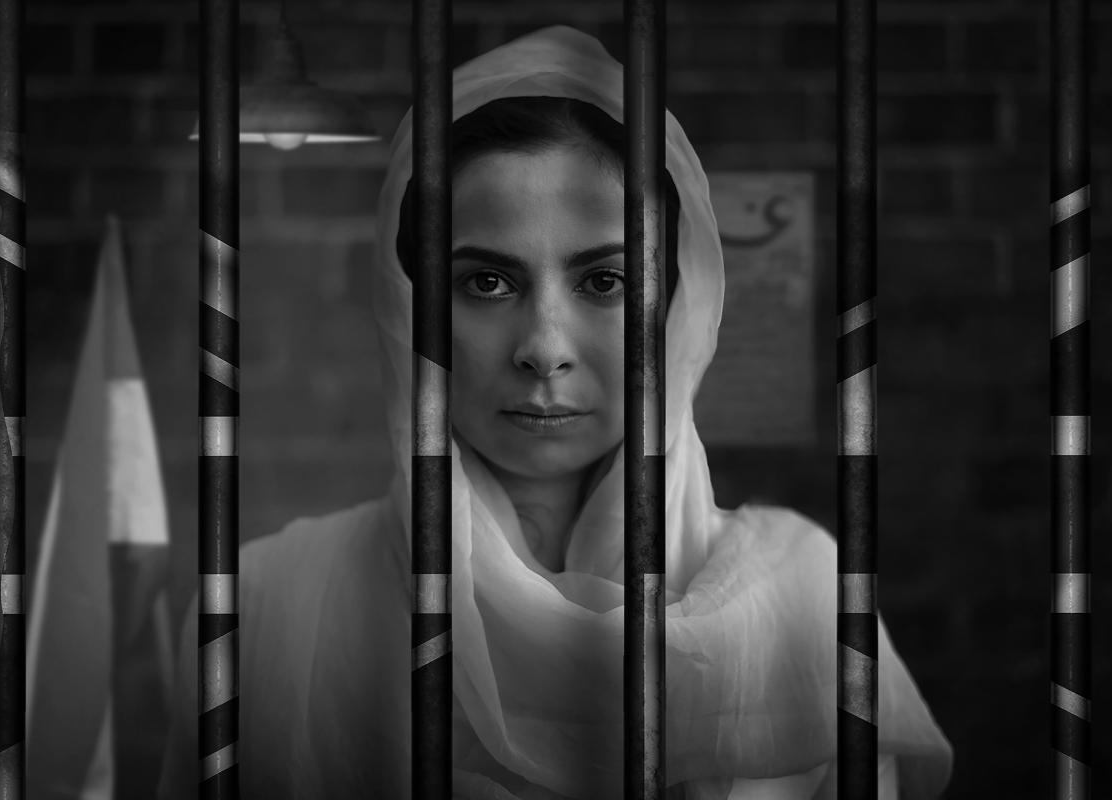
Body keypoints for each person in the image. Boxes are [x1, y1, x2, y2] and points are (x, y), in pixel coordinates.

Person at [157, 25, 952, 800]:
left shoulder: (804, 601)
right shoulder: (264, 606)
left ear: (678, 307)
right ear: (407, 308)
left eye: (605, 282)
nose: (544, 348)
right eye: (487, 283)